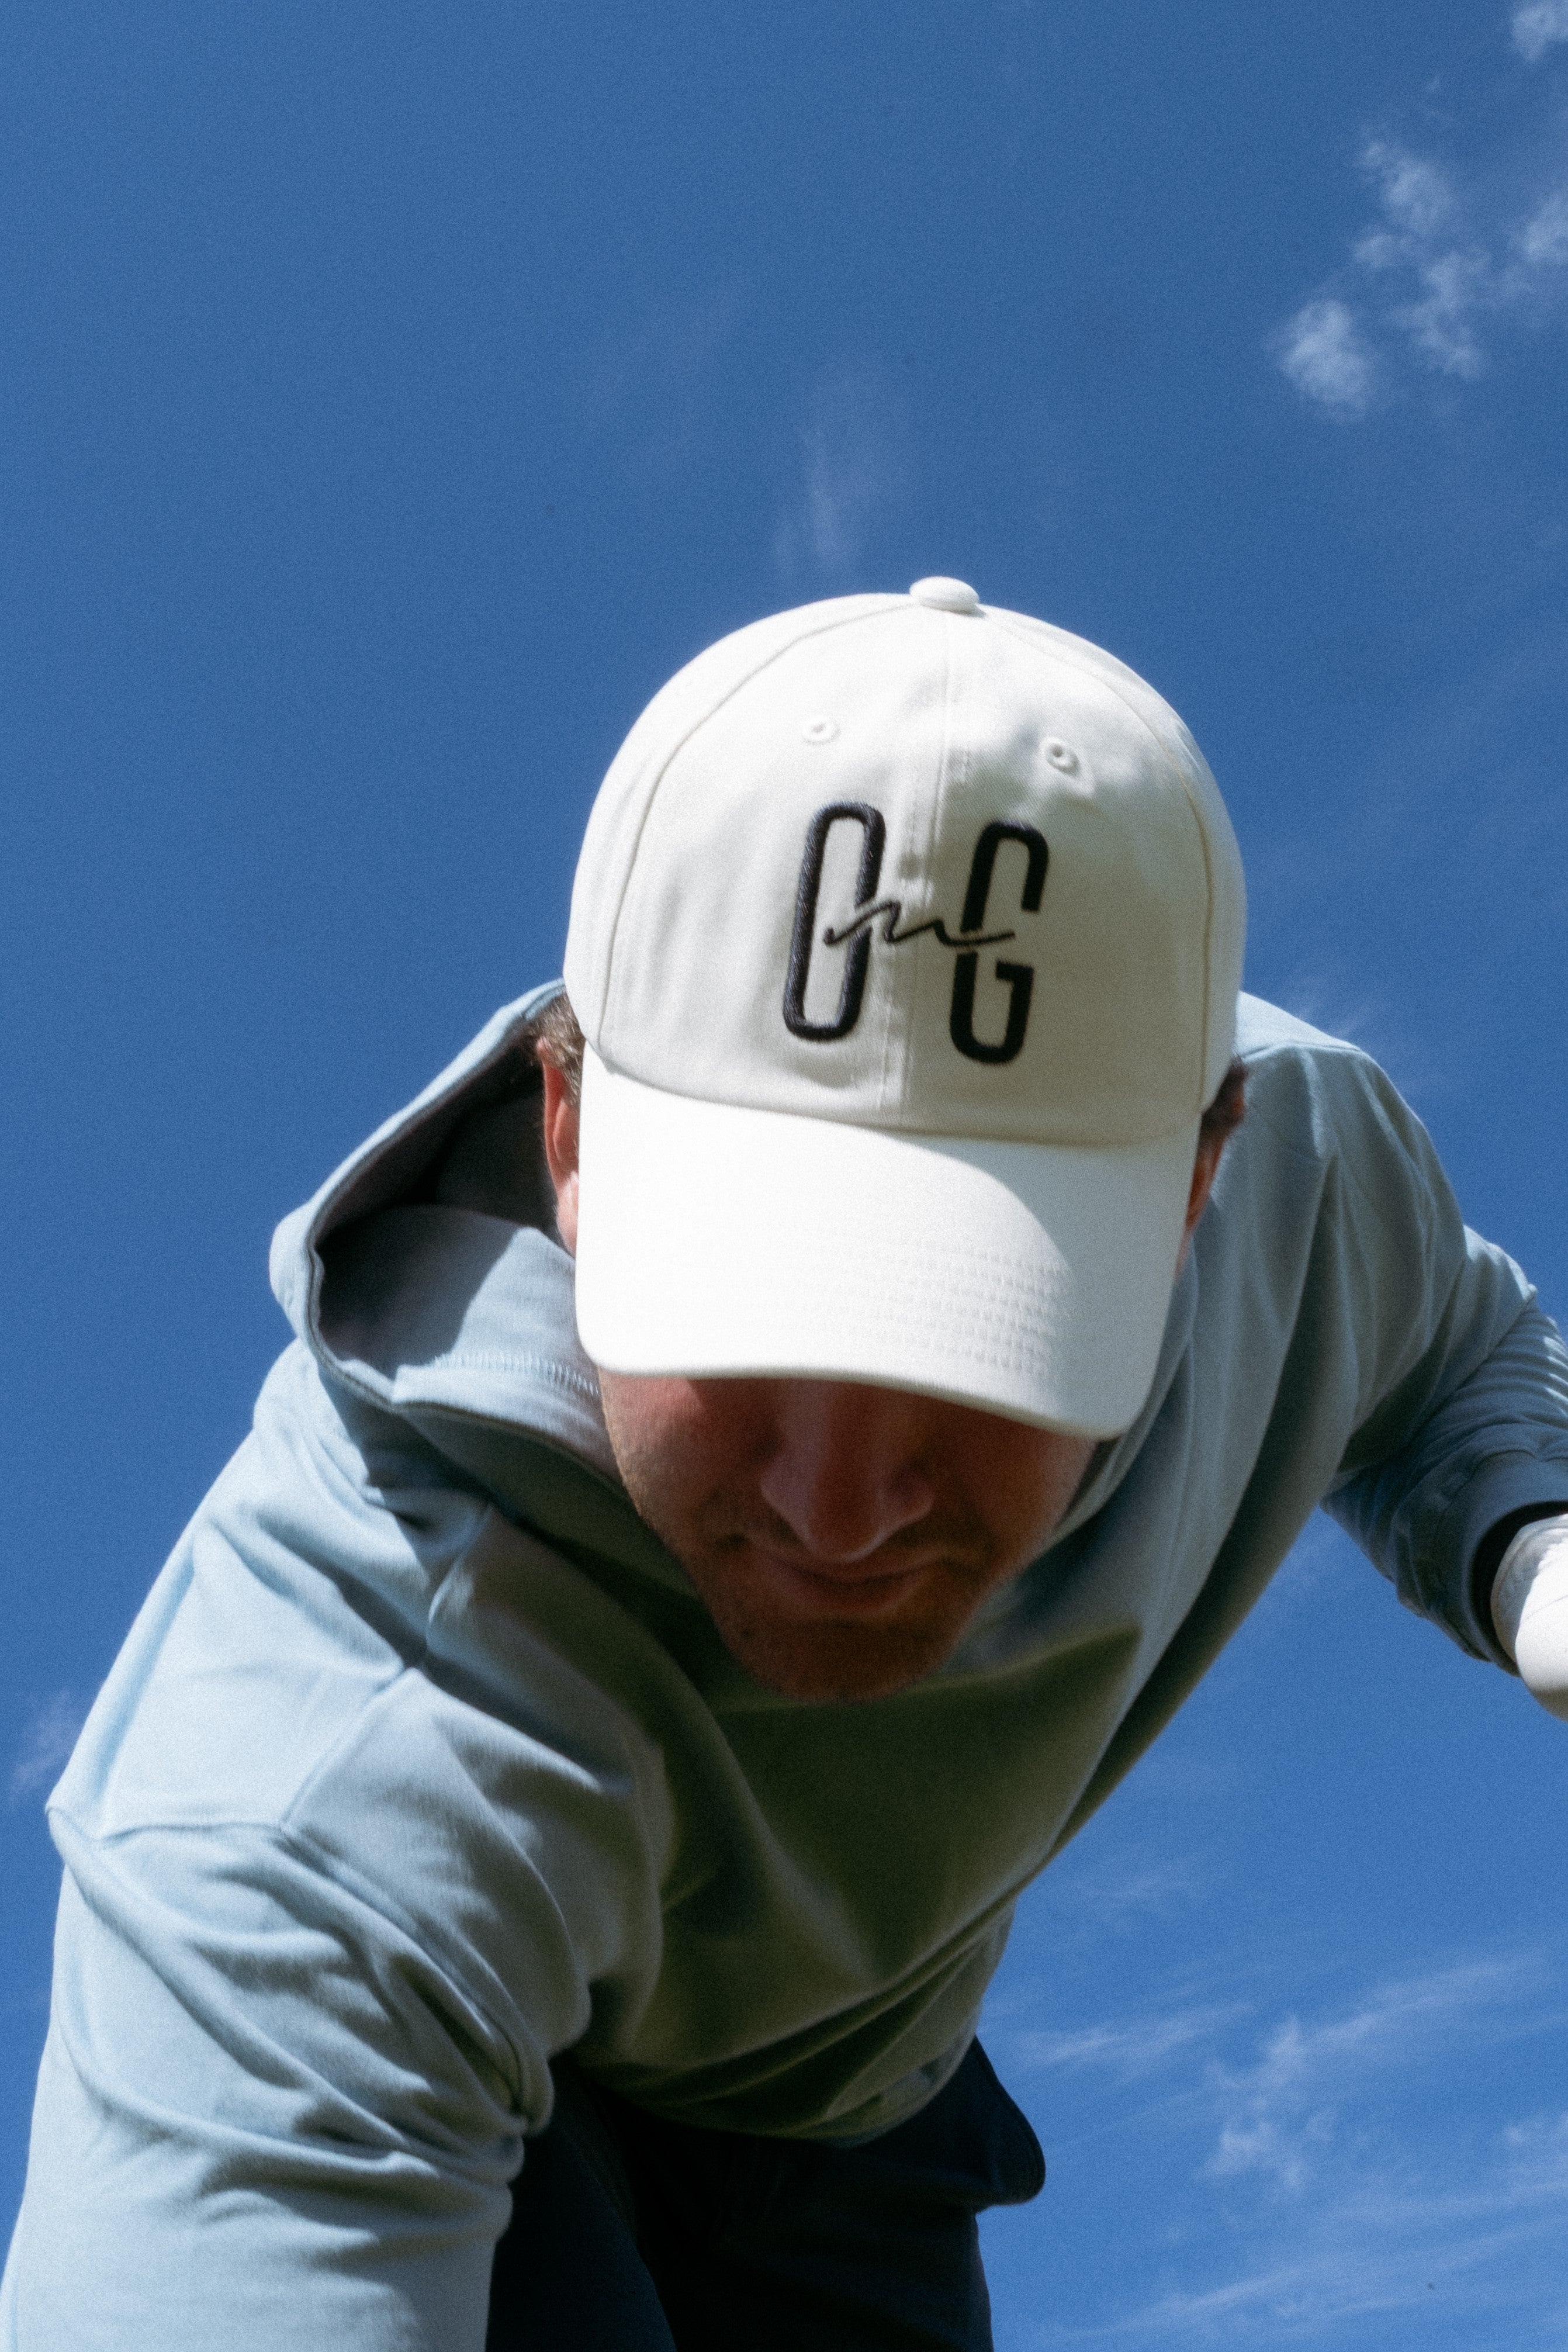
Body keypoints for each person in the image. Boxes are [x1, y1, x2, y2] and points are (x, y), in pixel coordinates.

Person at [5, 577, 1568, 2351]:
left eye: (985, 1335)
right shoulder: (310, 1782)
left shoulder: (1316, 1163)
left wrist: (1531, 1544)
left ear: (1202, 1181)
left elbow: (1447, 1350)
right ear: (569, 1128)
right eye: (745, 1317)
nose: (839, 1507)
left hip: (857, 2110)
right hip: (474, 2079)